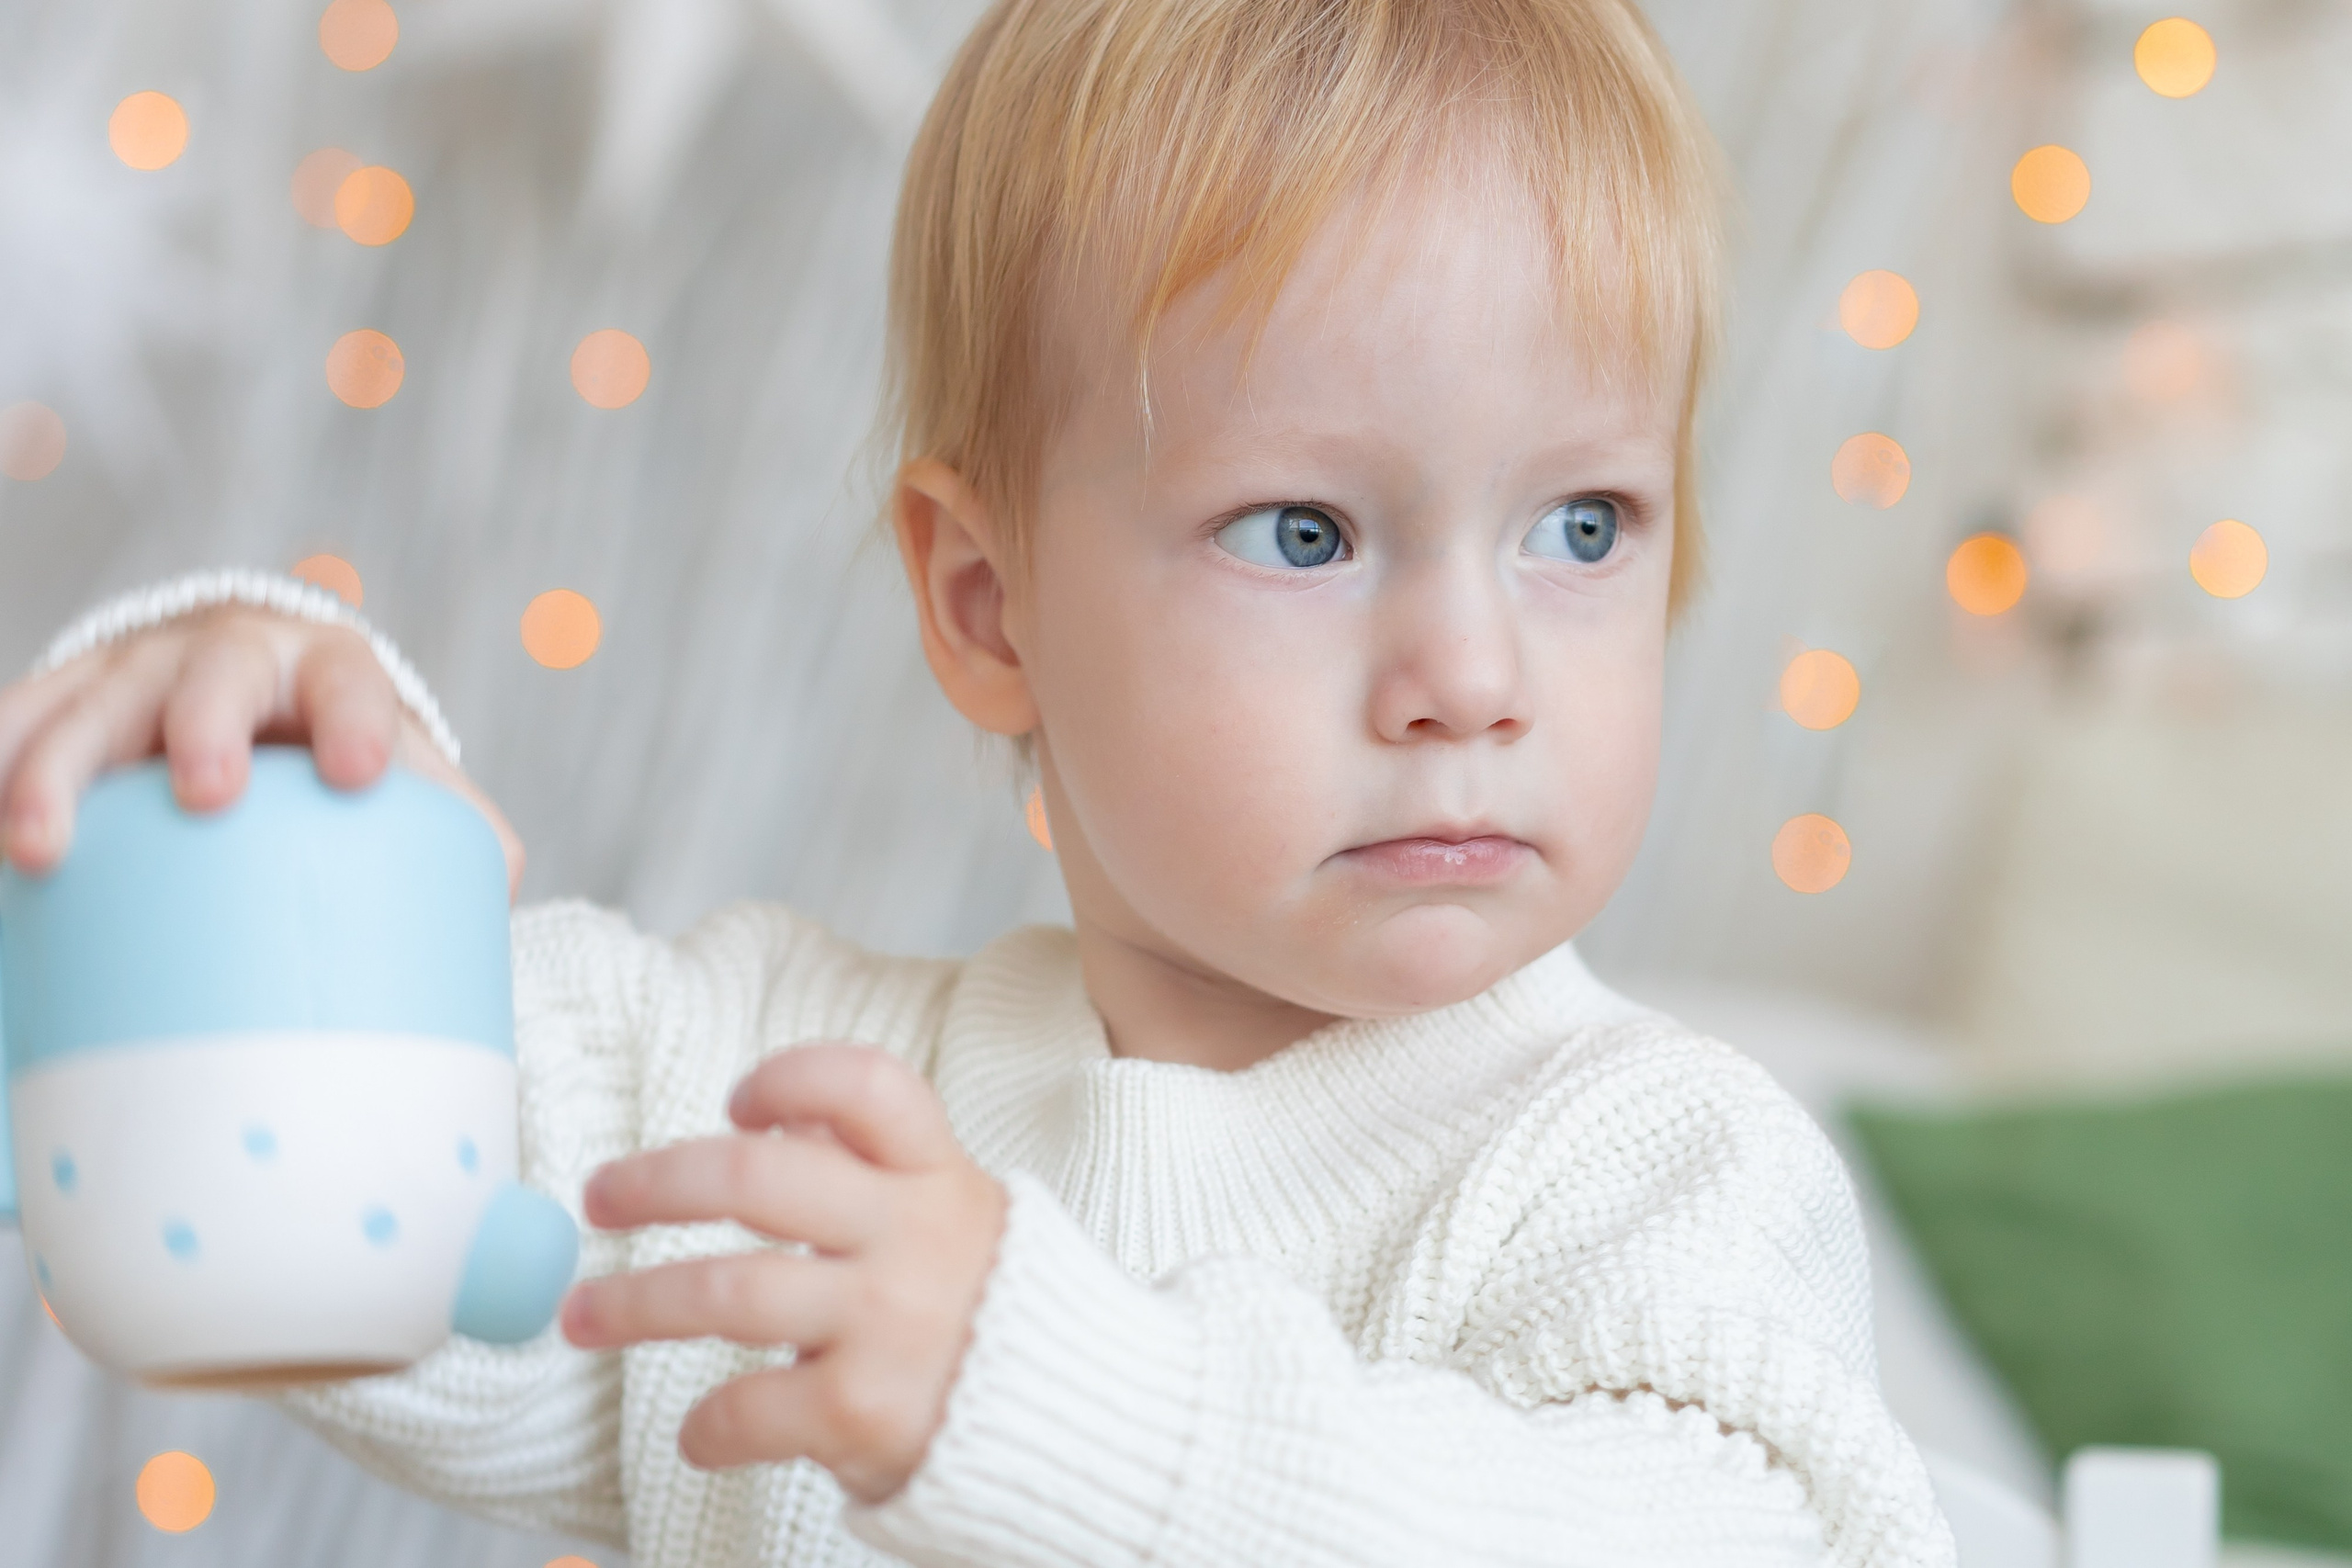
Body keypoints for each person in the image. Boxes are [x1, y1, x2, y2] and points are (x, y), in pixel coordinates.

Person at [0, 1, 1956, 1562]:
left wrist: (1046, 1399)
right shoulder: (791, 1089)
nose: (1471, 674)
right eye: (1301, 531)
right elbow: (401, 1192)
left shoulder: (1652, 1166)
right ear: (988, 602)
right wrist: (260, 756)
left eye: (1583, 522)